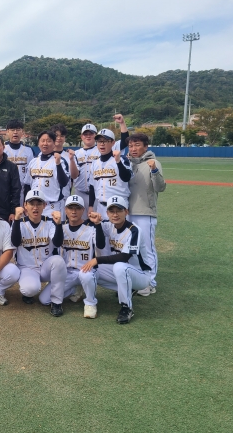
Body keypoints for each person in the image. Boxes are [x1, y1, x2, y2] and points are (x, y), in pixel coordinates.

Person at [81, 196, 153, 324]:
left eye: (119, 210)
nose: (115, 214)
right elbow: (91, 229)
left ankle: (127, 307)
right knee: (88, 270)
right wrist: (96, 222)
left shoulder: (134, 230)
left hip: (140, 274)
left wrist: (98, 259)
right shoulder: (109, 225)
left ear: (126, 212)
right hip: (122, 270)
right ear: (107, 213)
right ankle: (90, 302)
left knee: (119, 266)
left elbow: (124, 257)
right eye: (111, 211)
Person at [40, 195, 105, 319]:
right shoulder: (60, 226)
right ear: (65, 210)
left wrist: (98, 225)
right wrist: (58, 225)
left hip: (87, 270)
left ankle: (90, 303)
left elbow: (101, 245)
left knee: (85, 275)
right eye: (70, 208)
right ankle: (75, 290)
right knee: (45, 300)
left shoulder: (91, 226)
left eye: (77, 208)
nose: (74, 211)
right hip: (67, 273)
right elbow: (57, 243)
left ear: (83, 210)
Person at [11, 190, 66, 316]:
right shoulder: (19, 222)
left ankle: (57, 302)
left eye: (39, 204)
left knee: (58, 260)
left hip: (46, 267)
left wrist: (58, 225)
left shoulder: (50, 222)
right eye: (32, 204)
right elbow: (15, 242)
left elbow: (57, 243)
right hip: (27, 268)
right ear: (25, 205)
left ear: (44, 205)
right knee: (29, 290)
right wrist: (17, 219)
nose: (35, 207)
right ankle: (30, 292)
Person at [127, 132, 166, 296]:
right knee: (133, 249)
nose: (133, 148)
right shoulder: (127, 163)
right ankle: (139, 281)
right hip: (128, 213)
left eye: (137, 145)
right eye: (130, 145)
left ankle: (150, 282)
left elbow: (160, 187)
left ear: (145, 146)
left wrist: (155, 170)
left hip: (145, 213)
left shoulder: (153, 162)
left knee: (147, 249)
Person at [88, 125, 132, 221]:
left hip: (119, 208)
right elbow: (92, 186)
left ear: (112, 143)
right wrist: (91, 205)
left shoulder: (122, 159)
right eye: (99, 141)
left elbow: (127, 177)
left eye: (105, 141)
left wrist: (118, 162)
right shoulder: (95, 163)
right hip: (100, 208)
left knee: (120, 235)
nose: (102, 144)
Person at [23, 130, 70, 218]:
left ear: (54, 144)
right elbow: (27, 185)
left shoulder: (61, 161)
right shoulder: (33, 161)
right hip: (34, 206)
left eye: (48, 141)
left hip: (52, 207)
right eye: (42, 140)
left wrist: (58, 164)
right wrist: (26, 203)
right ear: (38, 143)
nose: (45, 143)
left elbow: (63, 183)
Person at [51, 123, 79, 219]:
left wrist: (71, 160)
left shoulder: (69, 155)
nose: (59, 138)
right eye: (56, 135)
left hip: (64, 197)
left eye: (62, 136)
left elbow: (74, 176)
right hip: (47, 199)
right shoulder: (43, 156)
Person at [72, 123, 100, 220]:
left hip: (97, 195)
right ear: (81, 136)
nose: (88, 136)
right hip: (80, 193)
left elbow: (122, 144)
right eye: (85, 134)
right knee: (81, 223)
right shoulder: (76, 153)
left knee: (97, 223)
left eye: (91, 133)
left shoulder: (101, 150)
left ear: (95, 135)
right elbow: (73, 176)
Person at [4, 119, 34, 206]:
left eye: (18, 130)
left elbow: (31, 173)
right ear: (7, 132)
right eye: (12, 130)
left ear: (22, 132)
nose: (15, 132)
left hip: (23, 189)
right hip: (5, 187)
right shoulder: (2, 148)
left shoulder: (28, 150)